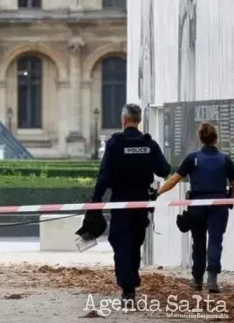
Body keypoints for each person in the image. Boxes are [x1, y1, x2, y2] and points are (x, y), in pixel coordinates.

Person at [90, 103, 171, 303]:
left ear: (123, 120)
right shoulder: (149, 144)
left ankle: (128, 287)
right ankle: (131, 280)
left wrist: (96, 199)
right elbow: (164, 170)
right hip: (141, 203)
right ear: (139, 120)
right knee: (135, 244)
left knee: (121, 244)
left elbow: (104, 176)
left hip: (120, 202)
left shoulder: (115, 144)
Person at [157, 122, 234, 293]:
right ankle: (212, 281)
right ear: (216, 139)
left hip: (197, 206)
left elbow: (173, 180)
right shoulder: (225, 160)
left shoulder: (193, 158)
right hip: (218, 206)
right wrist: (230, 197)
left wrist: (156, 193)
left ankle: (197, 280)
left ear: (200, 139)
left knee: (198, 243)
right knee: (215, 241)